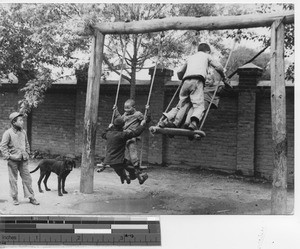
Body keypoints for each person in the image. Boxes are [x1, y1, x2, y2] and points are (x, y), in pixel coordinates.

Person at [160, 43, 230, 131]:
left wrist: (184, 77)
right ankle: (193, 123)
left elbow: (179, 72)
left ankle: (164, 120)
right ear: (208, 51)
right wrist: (224, 77)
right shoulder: (207, 55)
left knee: (180, 105)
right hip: (197, 80)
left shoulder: (191, 57)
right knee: (199, 105)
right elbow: (219, 67)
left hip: (185, 81)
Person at [0, 112, 40, 205]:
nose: (22, 122)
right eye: (20, 120)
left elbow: (26, 143)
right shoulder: (8, 133)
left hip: (24, 160)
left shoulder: (23, 132)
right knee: (13, 180)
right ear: (14, 122)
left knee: (27, 178)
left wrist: (27, 152)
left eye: (22, 120)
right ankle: (15, 198)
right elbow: (3, 146)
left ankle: (31, 197)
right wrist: (8, 156)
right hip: (13, 161)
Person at [102, 117, 148, 185]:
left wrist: (108, 128)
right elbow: (136, 133)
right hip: (120, 161)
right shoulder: (122, 135)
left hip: (109, 161)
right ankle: (138, 177)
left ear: (113, 125)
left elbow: (102, 134)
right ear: (123, 126)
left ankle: (126, 178)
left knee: (121, 169)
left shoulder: (108, 134)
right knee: (133, 167)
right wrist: (142, 125)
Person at [113, 99, 146, 168]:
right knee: (120, 147)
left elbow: (145, 120)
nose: (126, 110)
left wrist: (147, 113)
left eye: (128, 108)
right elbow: (120, 119)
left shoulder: (138, 114)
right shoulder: (125, 114)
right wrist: (116, 111)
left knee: (132, 147)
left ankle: (135, 163)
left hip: (131, 134)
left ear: (134, 107)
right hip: (124, 133)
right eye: (125, 108)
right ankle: (120, 161)